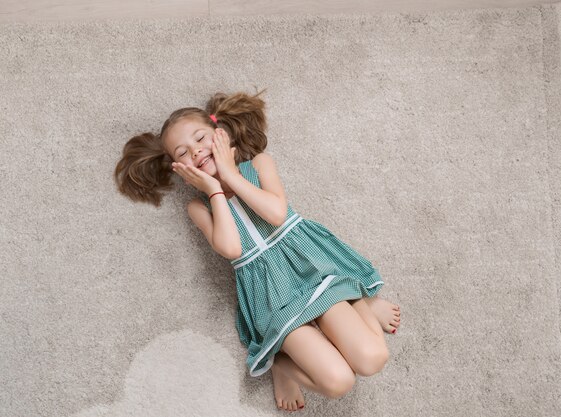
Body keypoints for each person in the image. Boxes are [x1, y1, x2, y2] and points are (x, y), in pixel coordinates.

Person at [113, 89, 402, 412]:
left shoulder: (259, 165)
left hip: (312, 272)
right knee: (338, 383)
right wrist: (214, 190)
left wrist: (231, 177)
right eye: (183, 152)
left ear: (220, 133)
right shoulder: (199, 207)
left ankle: (357, 298)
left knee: (373, 359)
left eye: (200, 139)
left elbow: (276, 214)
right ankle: (283, 366)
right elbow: (231, 248)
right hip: (274, 300)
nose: (195, 152)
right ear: (179, 168)